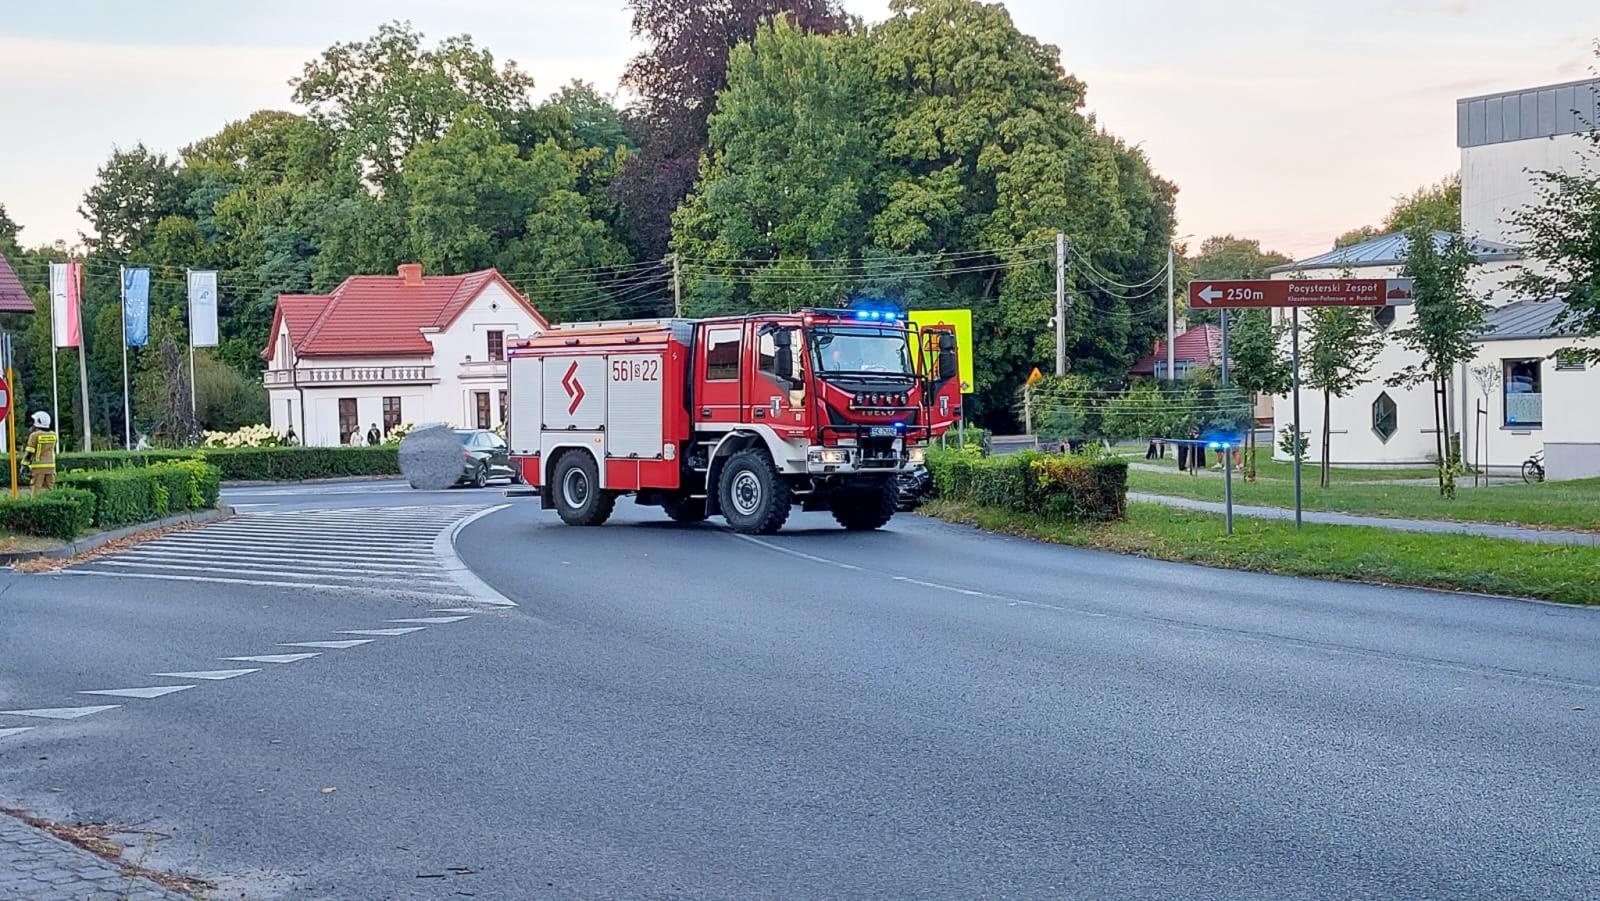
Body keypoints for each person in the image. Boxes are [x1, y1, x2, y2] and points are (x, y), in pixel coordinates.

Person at [22, 411, 58, 494]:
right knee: (51, 491)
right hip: (51, 467)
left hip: (38, 467)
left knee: (36, 491)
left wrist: (24, 465)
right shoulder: (54, 435)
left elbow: (29, 452)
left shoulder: (34, 435)